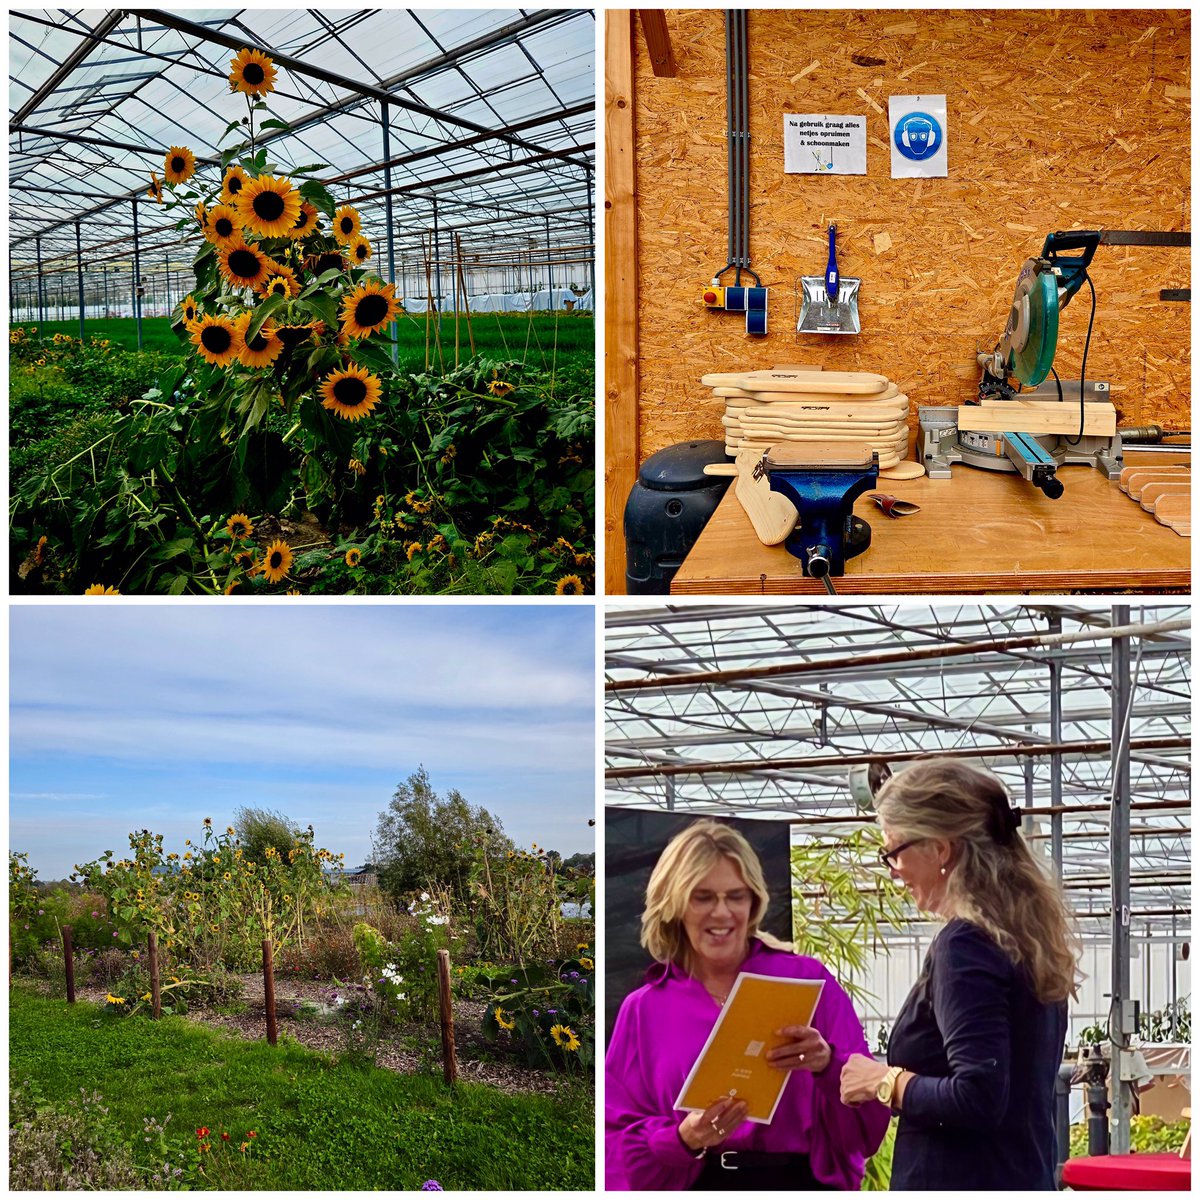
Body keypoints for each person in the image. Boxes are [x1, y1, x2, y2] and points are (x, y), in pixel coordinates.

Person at [606, 819, 889, 1190]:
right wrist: (683, 1138)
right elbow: (614, 1138)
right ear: (673, 904)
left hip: (796, 1183)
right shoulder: (644, 1008)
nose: (722, 913)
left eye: (735, 896)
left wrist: (826, 1063)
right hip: (698, 1183)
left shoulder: (806, 981)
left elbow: (868, 1114)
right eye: (702, 897)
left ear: (753, 901)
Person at [839, 759, 1080, 1190]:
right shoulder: (1026, 939)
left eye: (894, 850)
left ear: (940, 848)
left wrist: (884, 1081)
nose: (892, 869)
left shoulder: (965, 945)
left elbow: (977, 1096)